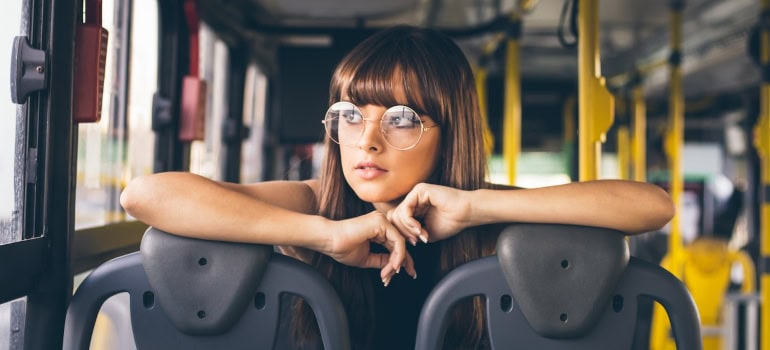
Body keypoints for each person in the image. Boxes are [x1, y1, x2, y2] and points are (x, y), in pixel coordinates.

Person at [120, 25, 675, 349]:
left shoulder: (478, 208)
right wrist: (324, 235)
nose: (368, 140)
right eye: (350, 115)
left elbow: (652, 206)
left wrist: (478, 207)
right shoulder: (318, 201)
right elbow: (146, 195)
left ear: (447, 133)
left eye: (402, 119)